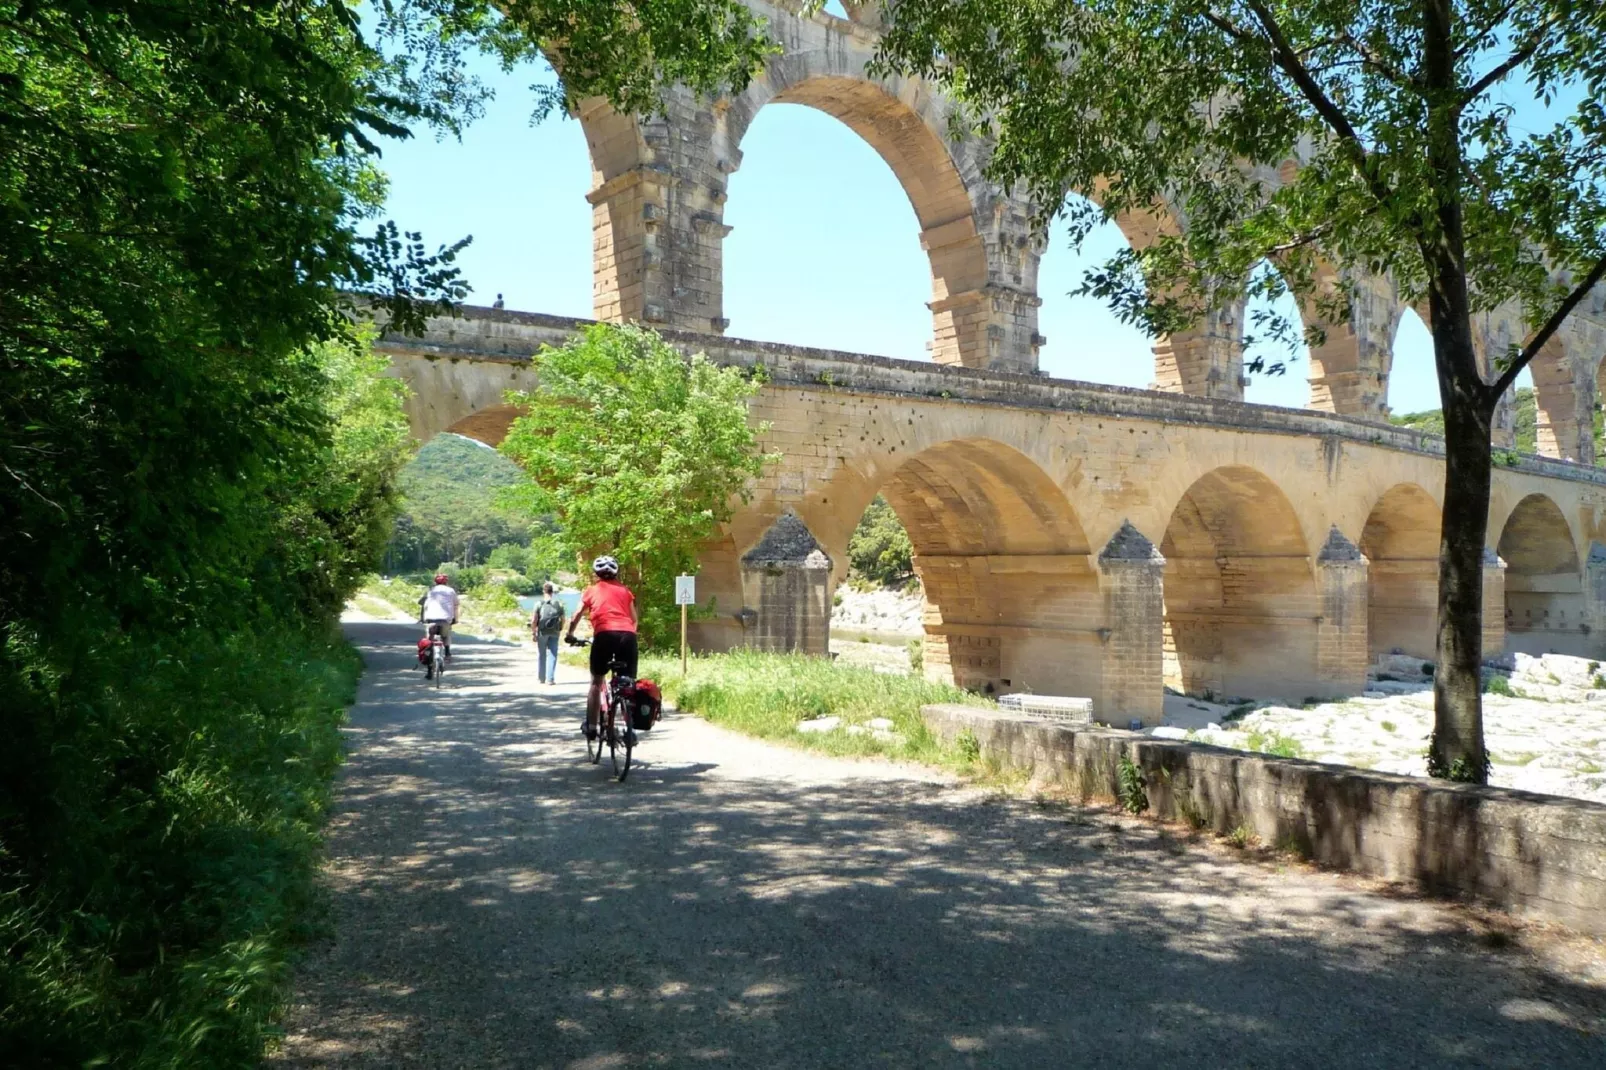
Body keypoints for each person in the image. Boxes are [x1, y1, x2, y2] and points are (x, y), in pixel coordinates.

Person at [565, 555, 637, 739]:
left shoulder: (591, 590)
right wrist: (628, 634)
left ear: (596, 573)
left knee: (597, 681)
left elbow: (576, 615)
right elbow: (634, 620)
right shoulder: (625, 591)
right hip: (627, 636)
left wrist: (570, 634)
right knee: (628, 683)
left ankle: (591, 726)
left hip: (604, 634)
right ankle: (631, 730)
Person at [531, 581, 566, 685]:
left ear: (543, 591)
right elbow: (563, 619)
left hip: (542, 632)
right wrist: (560, 628)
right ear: (552, 592)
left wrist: (533, 632)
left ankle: (541, 678)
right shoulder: (558, 604)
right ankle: (550, 679)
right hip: (554, 632)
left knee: (542, 654)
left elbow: (534, 620)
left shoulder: (538, 604)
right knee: (552, 654)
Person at [419, 573, 460, 660]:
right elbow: (456, 605)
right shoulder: (451, 591)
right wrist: (455, 619)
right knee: (446, 635)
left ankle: (428, 660)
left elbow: (425, 605)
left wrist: (424, 618)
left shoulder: (431, 590)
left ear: (435, 582)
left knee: (429, 639)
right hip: (445, 619)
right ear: (446, 582)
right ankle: (447, 653)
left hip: (430, 619)